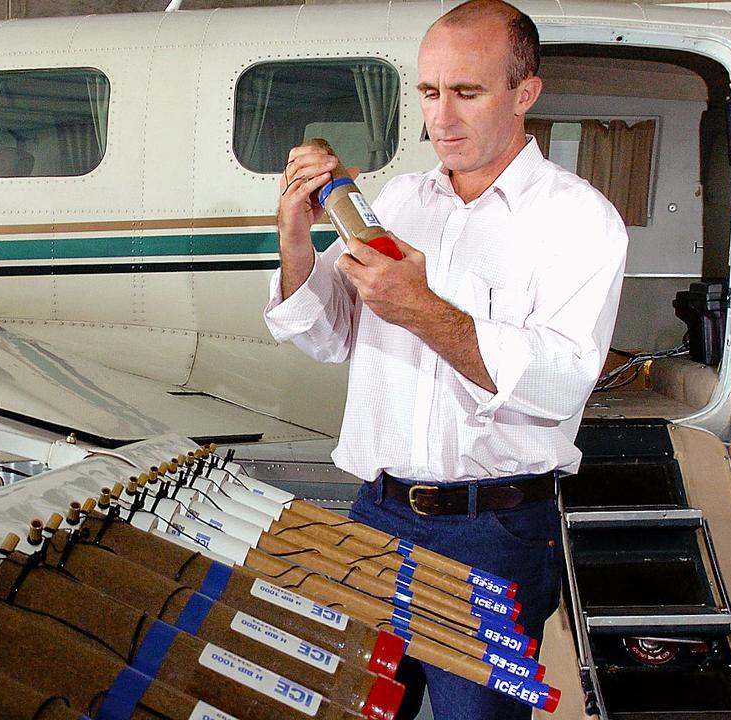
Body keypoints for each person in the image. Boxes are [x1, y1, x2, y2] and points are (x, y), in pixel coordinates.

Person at [263, 1, 628, 718]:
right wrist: (297, 240)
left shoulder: (578, 222)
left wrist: (422, 309)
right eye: (430, 92)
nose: (442, 117)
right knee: (354, 710)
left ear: (525, 93)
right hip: (379, 513)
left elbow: (558, 381)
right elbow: (330, 335)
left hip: (493, 533)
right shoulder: (398, 202)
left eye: (467, 92)